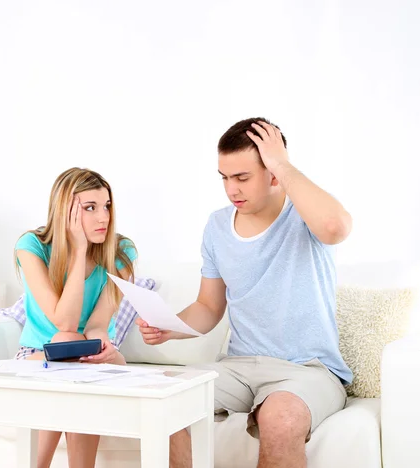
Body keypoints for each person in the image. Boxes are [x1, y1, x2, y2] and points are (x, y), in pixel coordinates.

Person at [137, 118, 353, 468]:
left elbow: (335, 227)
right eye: (224, 178)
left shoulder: (305, 213)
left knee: (280, 418)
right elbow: (209, 306)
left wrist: (282, 162)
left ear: (272, 173)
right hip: (238, 367)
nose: (231, 189)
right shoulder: (218, 226)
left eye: (242, 178)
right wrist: (169, 328)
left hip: (307, 369)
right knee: (167, 398)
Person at [14, 167, 137, 468]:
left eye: (106, 206)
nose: (103, 217)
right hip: (36, 356)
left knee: (81, 349)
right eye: (90, 208)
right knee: (67, 339)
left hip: (91, 353)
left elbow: (98, 323)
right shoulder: (31, 247)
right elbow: (64, 323)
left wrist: (99, 344)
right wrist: (79, 251)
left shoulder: (122, 251)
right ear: (65, 211)